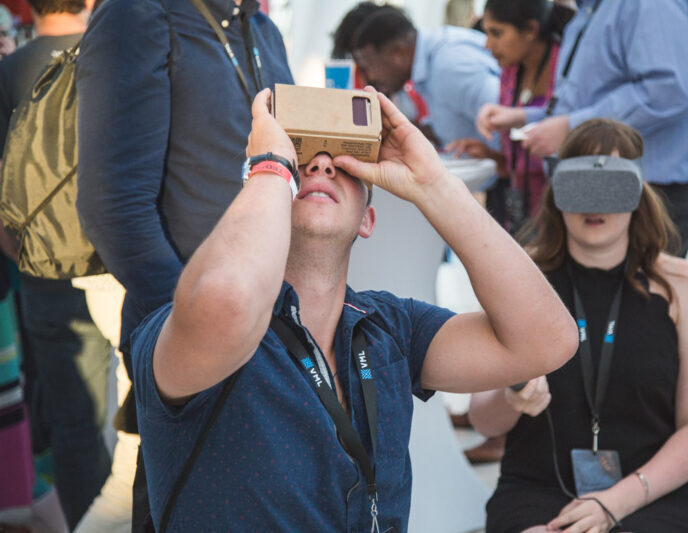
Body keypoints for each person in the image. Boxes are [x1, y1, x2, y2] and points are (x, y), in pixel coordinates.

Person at [131, 87, 578, 532]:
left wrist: (435, 185)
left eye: (341, 161)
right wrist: (269, 168)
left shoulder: (389, 328)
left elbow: (547, 341)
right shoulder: (183, 332)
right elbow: (226, 303)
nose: (321, 164)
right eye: (300, 157)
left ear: (368, 219)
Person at [74, 0, 293, 529]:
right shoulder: (138, 13)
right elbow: (113, 204)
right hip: (192, 334)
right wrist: (191, 327)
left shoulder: (259, 25)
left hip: (272, 327)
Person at [469, 119, 688, 533]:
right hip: (540, 490)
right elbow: (483, 421)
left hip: (654, 492)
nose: (595, 203)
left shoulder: (684, 289)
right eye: (581, 183)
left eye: (611, 185)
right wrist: (511, 396)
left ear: (638, 191)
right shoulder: (518, 277)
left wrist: (615, 503)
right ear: (558, 189)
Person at [0, 0, 114, 528]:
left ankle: (83, 521)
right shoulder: (113, 54)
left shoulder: (9, 70)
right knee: (149, 418)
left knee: (75, 421)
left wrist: (21, 255)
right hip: (120, 261)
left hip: (42, 270)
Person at [477, 0, 688, 257]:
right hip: (603, 192)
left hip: (643, 199)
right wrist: (523, 116)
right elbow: (585, 102)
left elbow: (669, 91)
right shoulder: (592, 10)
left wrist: (570, 128)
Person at [448, 0, 564, 233]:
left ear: (531, 30)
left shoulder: (564, 68)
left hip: (562, 215)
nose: (488, 45)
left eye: (497, 33)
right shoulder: (509, 73)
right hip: (522, 216)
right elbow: (520, 163)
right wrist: (492, 156)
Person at [351, 6, 500, 149]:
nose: (371, 76)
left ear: (398, 53)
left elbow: (503, 116)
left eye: (371, 66)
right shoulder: (429, 60)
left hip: (497, 172)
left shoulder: (449, 64)